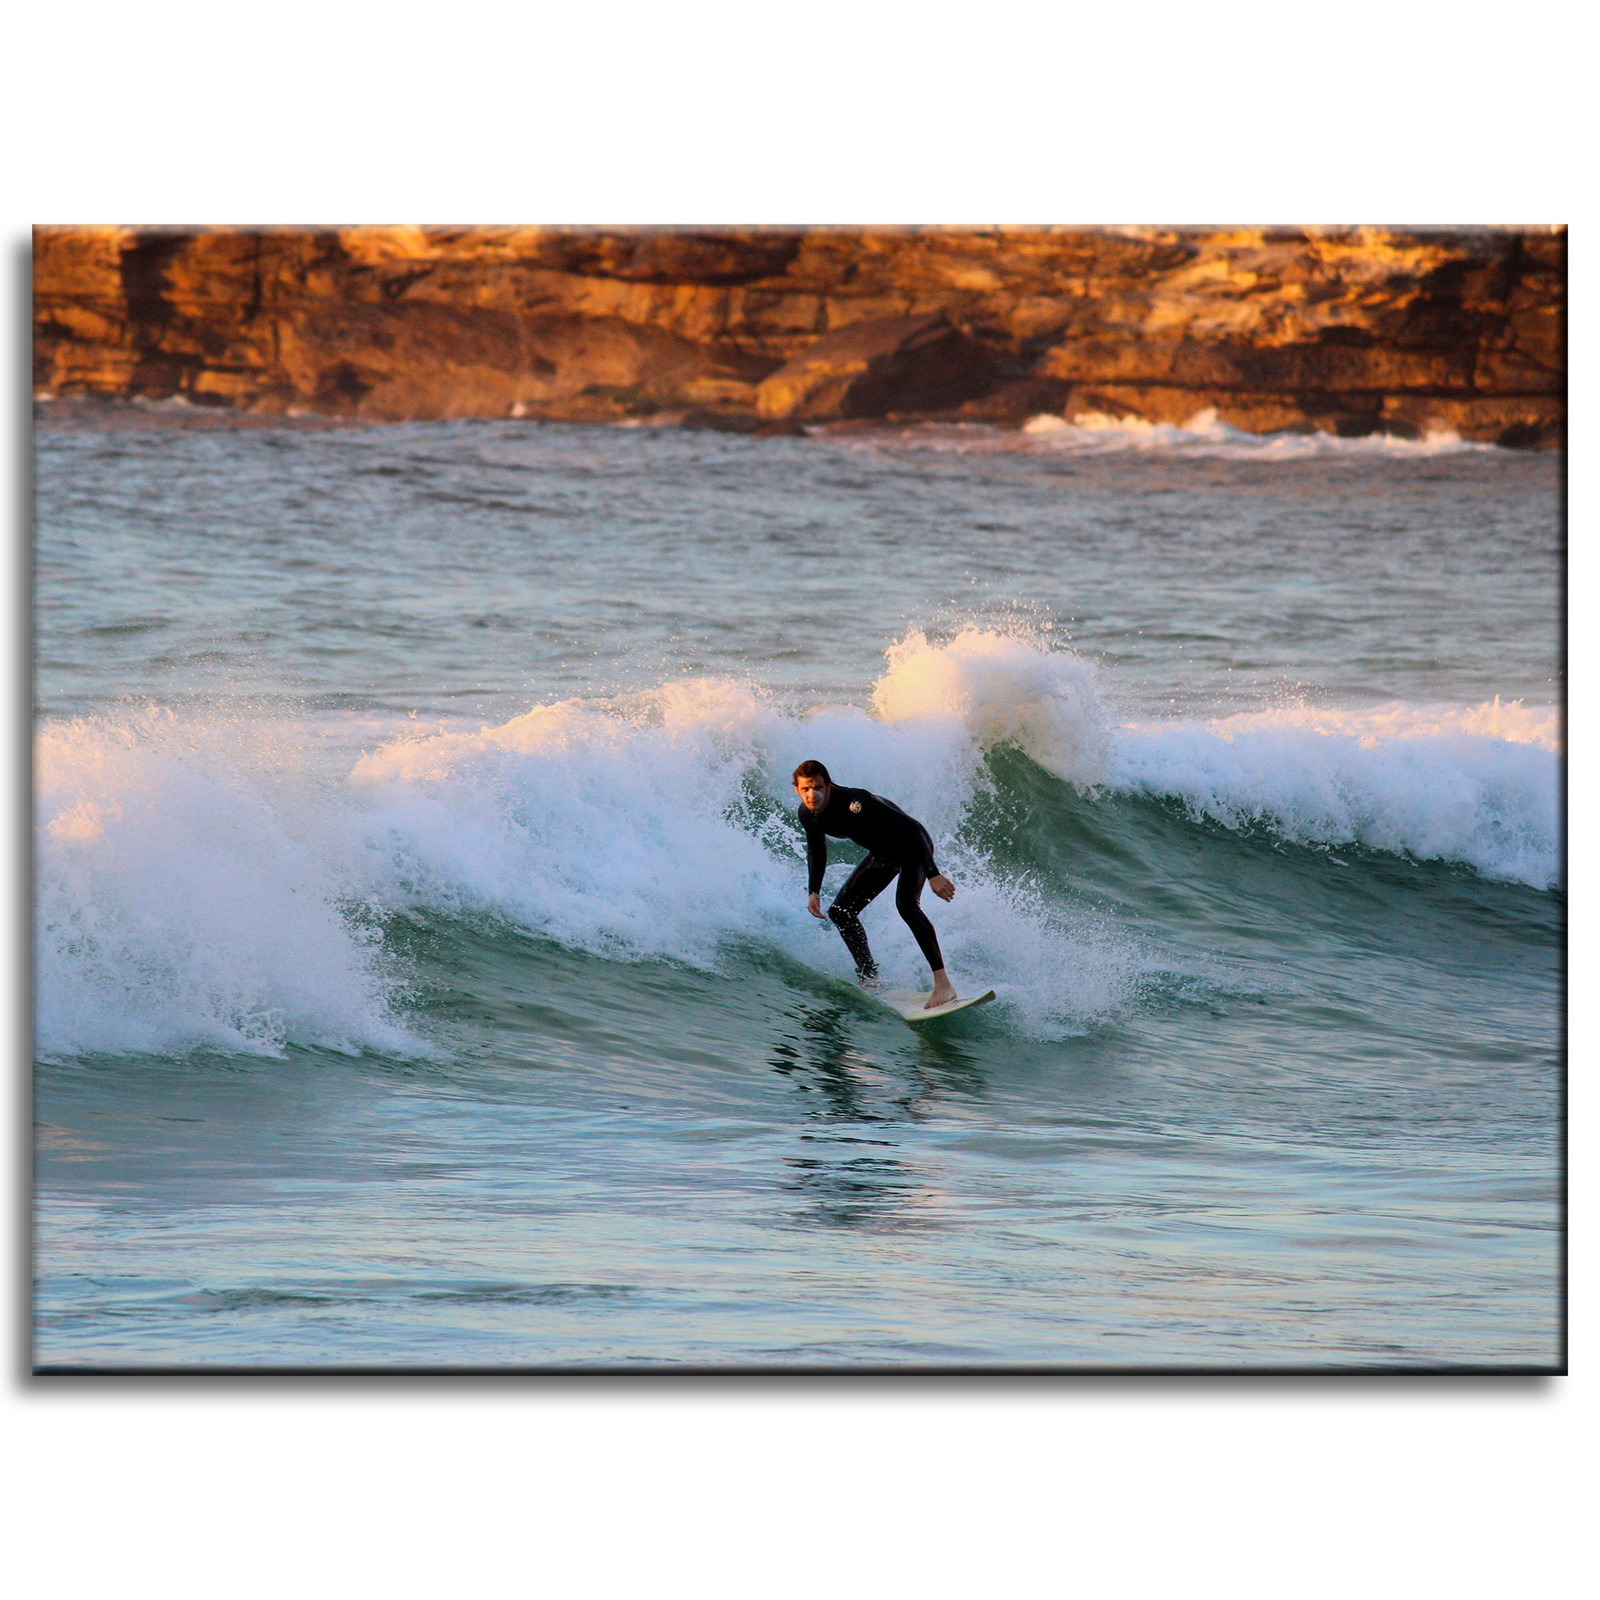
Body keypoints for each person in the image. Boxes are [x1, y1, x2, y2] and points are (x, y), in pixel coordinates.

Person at [793, 758, 958, 1009]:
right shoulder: (808, 814)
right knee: (841, 912)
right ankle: (869, 977)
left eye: (817, 787)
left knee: (907, 906)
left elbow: (912, 828)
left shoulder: (854, 803)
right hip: (883, 855)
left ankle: (943, 984)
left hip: (912, 847)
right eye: (805, 788)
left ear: (828, 786)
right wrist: (813, 890)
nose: (812, 794)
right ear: (797, 789)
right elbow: (817, 849)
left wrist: (933, 873)